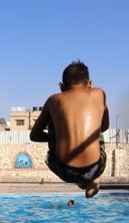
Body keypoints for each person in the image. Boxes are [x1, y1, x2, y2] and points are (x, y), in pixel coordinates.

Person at [30, 61, 110, 198]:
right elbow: (104, 127)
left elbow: (34, 135)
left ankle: (86, 181)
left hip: (64, 170)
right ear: (90, 84)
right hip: (97, 166)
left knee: (54, 122)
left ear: (61, 87)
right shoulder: (99, 94)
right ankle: (91, 180)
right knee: (96, 129)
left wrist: (60, 136)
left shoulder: (53, 100)